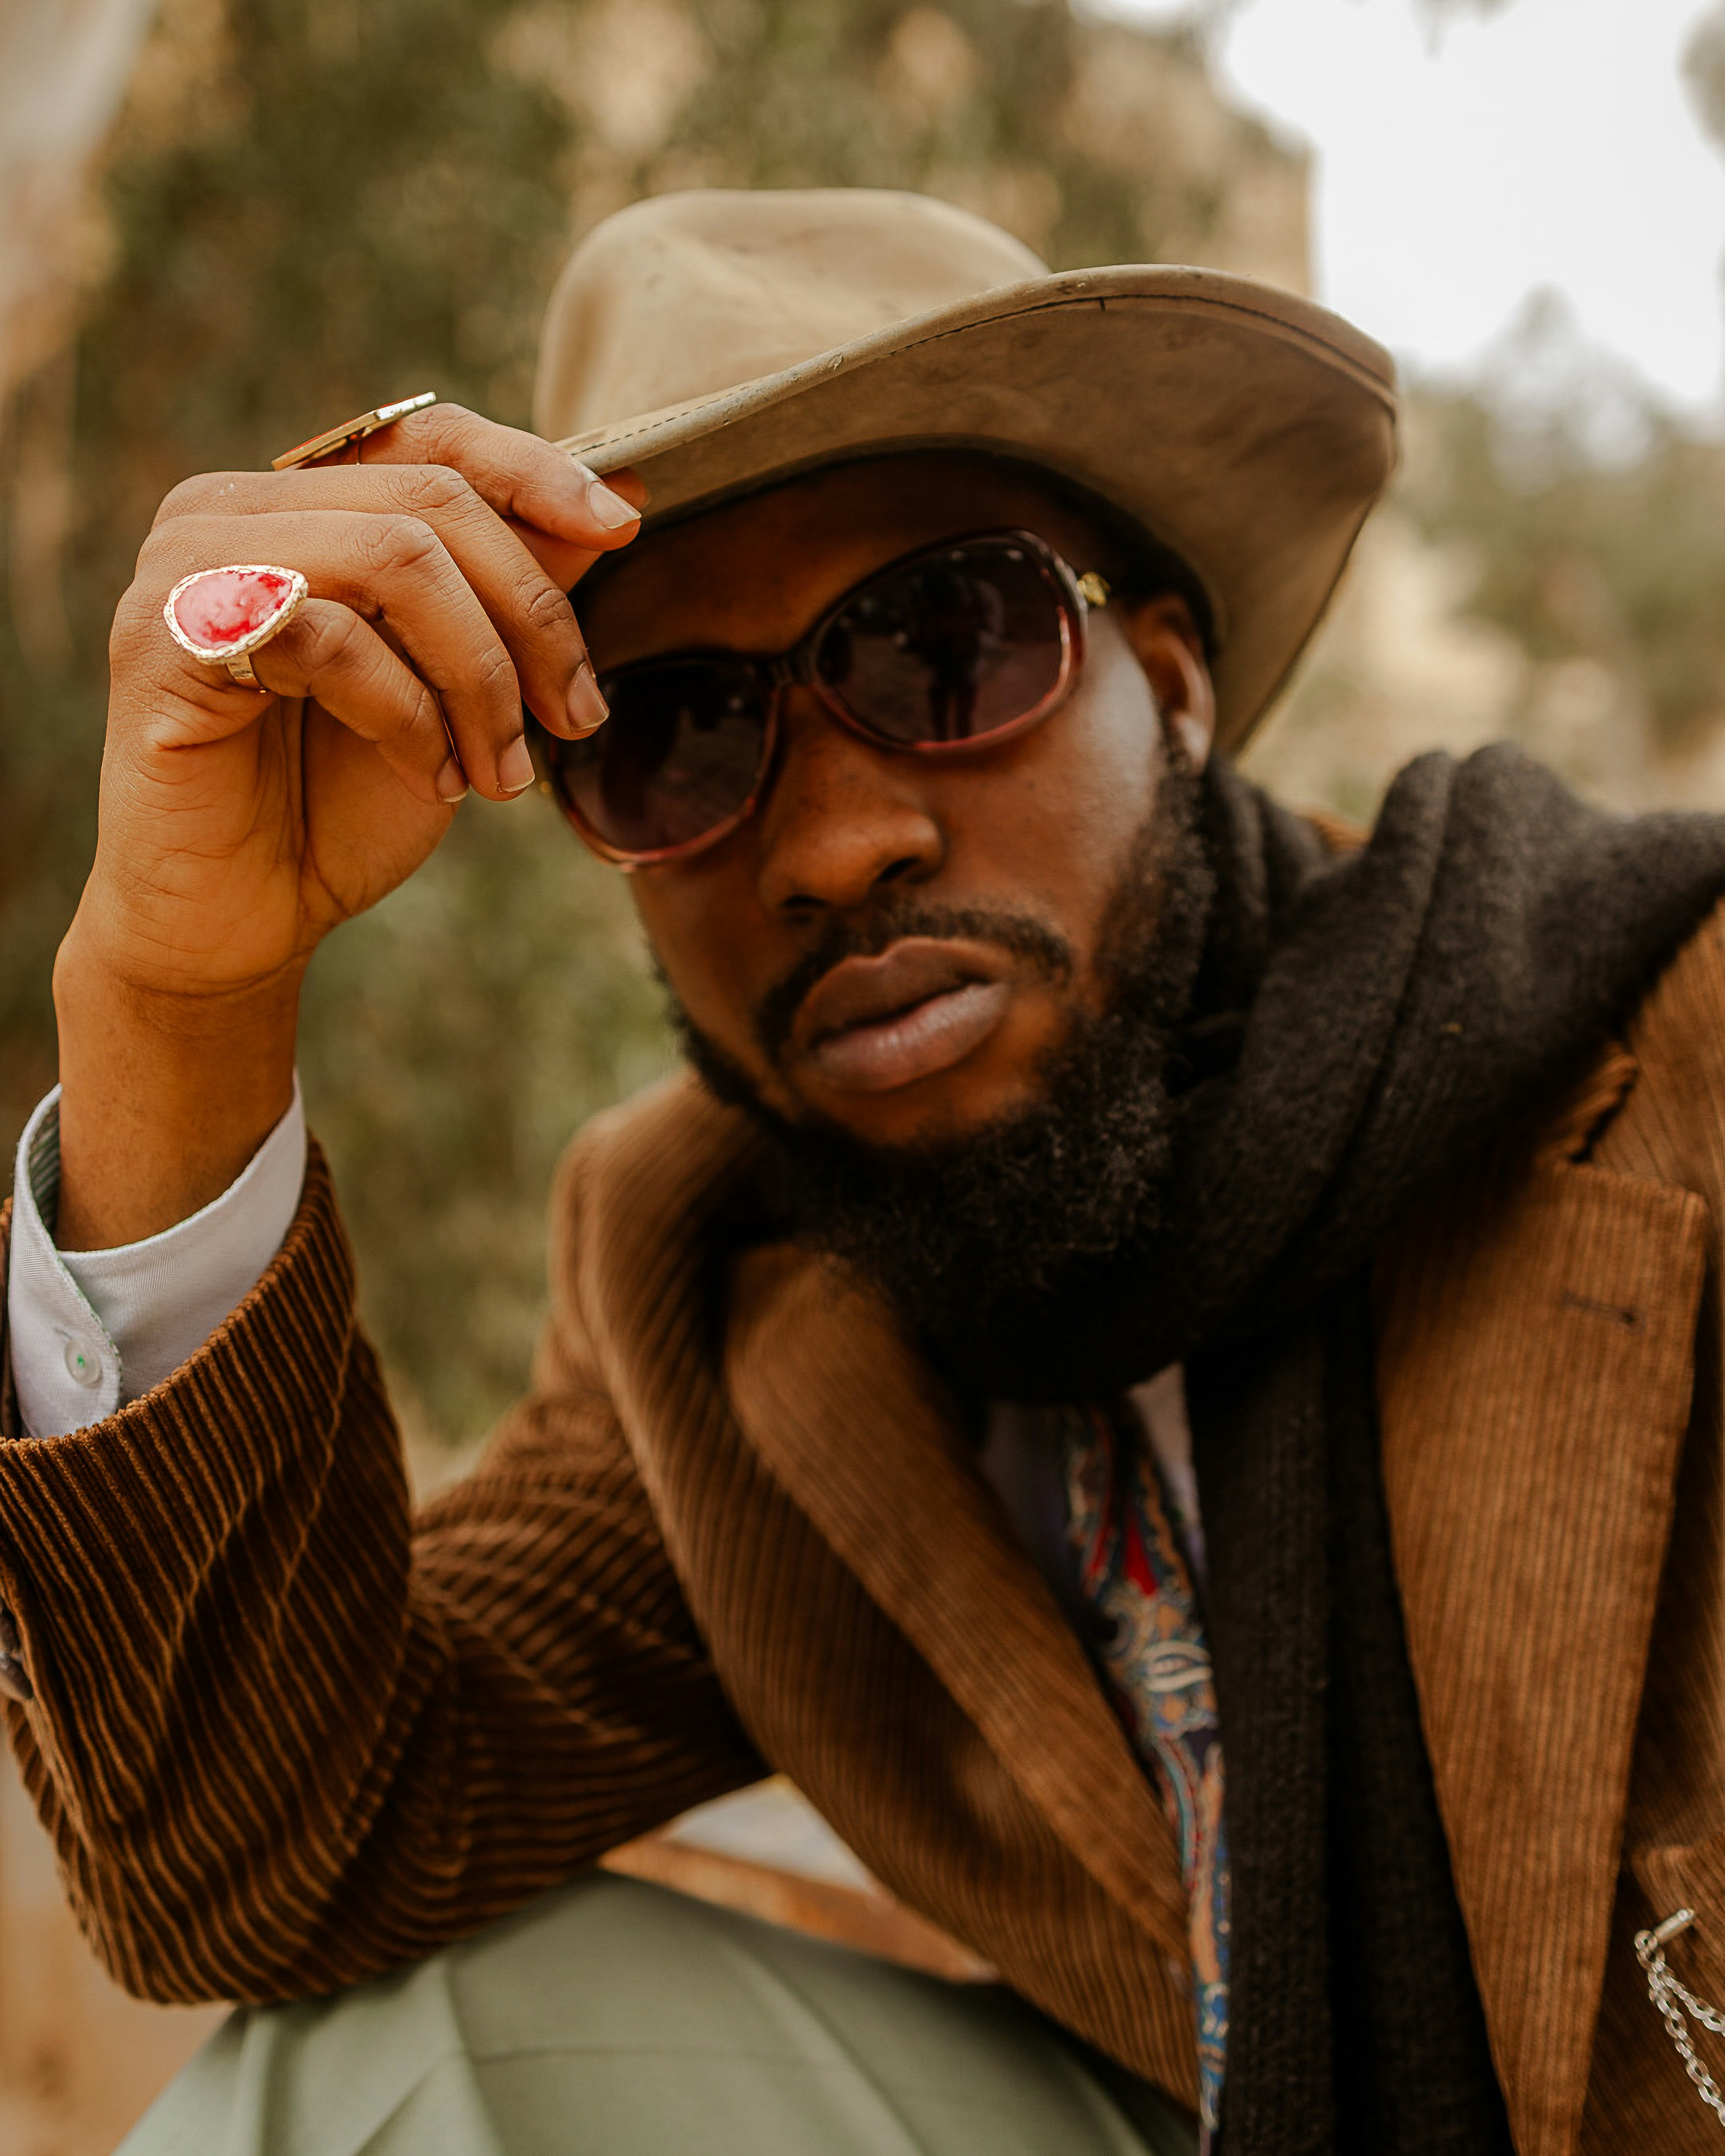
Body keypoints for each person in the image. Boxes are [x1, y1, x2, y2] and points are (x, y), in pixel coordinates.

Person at [4, 186, 1725, 2156]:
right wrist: (168, 989)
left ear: (1165, 680)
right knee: (385, 2056)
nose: (831, 844)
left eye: (941, 645)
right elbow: (266, 1869)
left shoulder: (1671, 1062)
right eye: (667, 732)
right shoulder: (712, 1270)